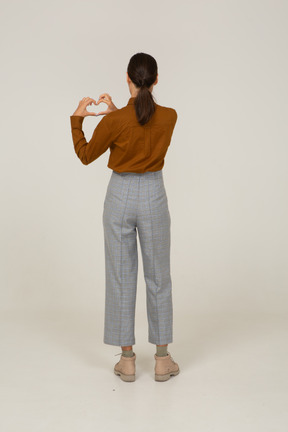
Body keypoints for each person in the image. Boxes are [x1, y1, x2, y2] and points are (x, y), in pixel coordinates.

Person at [70, 52, 180, 382]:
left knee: (121, 275)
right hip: (154, 196)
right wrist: (119, 112)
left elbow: (86, 155)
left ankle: (128, 360)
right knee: (159, 277)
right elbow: (142, 125)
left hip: (120, 196)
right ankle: (162, 360)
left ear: (127, 79)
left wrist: (78, 119)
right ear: (156, 80)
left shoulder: (113, 122)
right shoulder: (171, 116)